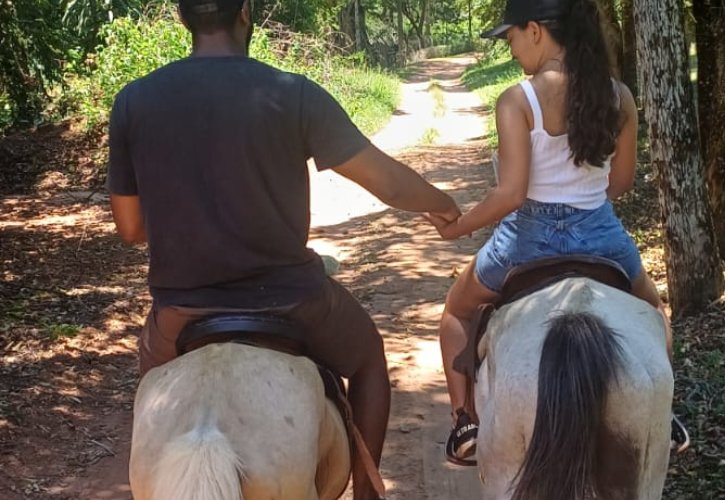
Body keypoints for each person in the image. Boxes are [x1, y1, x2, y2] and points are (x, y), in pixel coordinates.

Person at [106, 0, 460, 498]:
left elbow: (130, 227)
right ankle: (368, 491)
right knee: (368, 361)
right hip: (293, 297)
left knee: (153, 390)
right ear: (245, 13)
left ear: (183, 18)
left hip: (180, 310)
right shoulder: (291, 93)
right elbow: (388, 184)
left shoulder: (133, 102)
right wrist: (443, 205)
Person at [427, 0, 689, 465]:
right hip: (601, 233)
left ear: (535, 31)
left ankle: (465, 422)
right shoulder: (618, 96)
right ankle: (662, 412)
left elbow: (510, 195)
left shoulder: (518, 99)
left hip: (528, 238)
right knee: (654, 310)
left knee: (457, 310)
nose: (511, 51)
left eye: (510, 38)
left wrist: (457, 227)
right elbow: (621, 183)